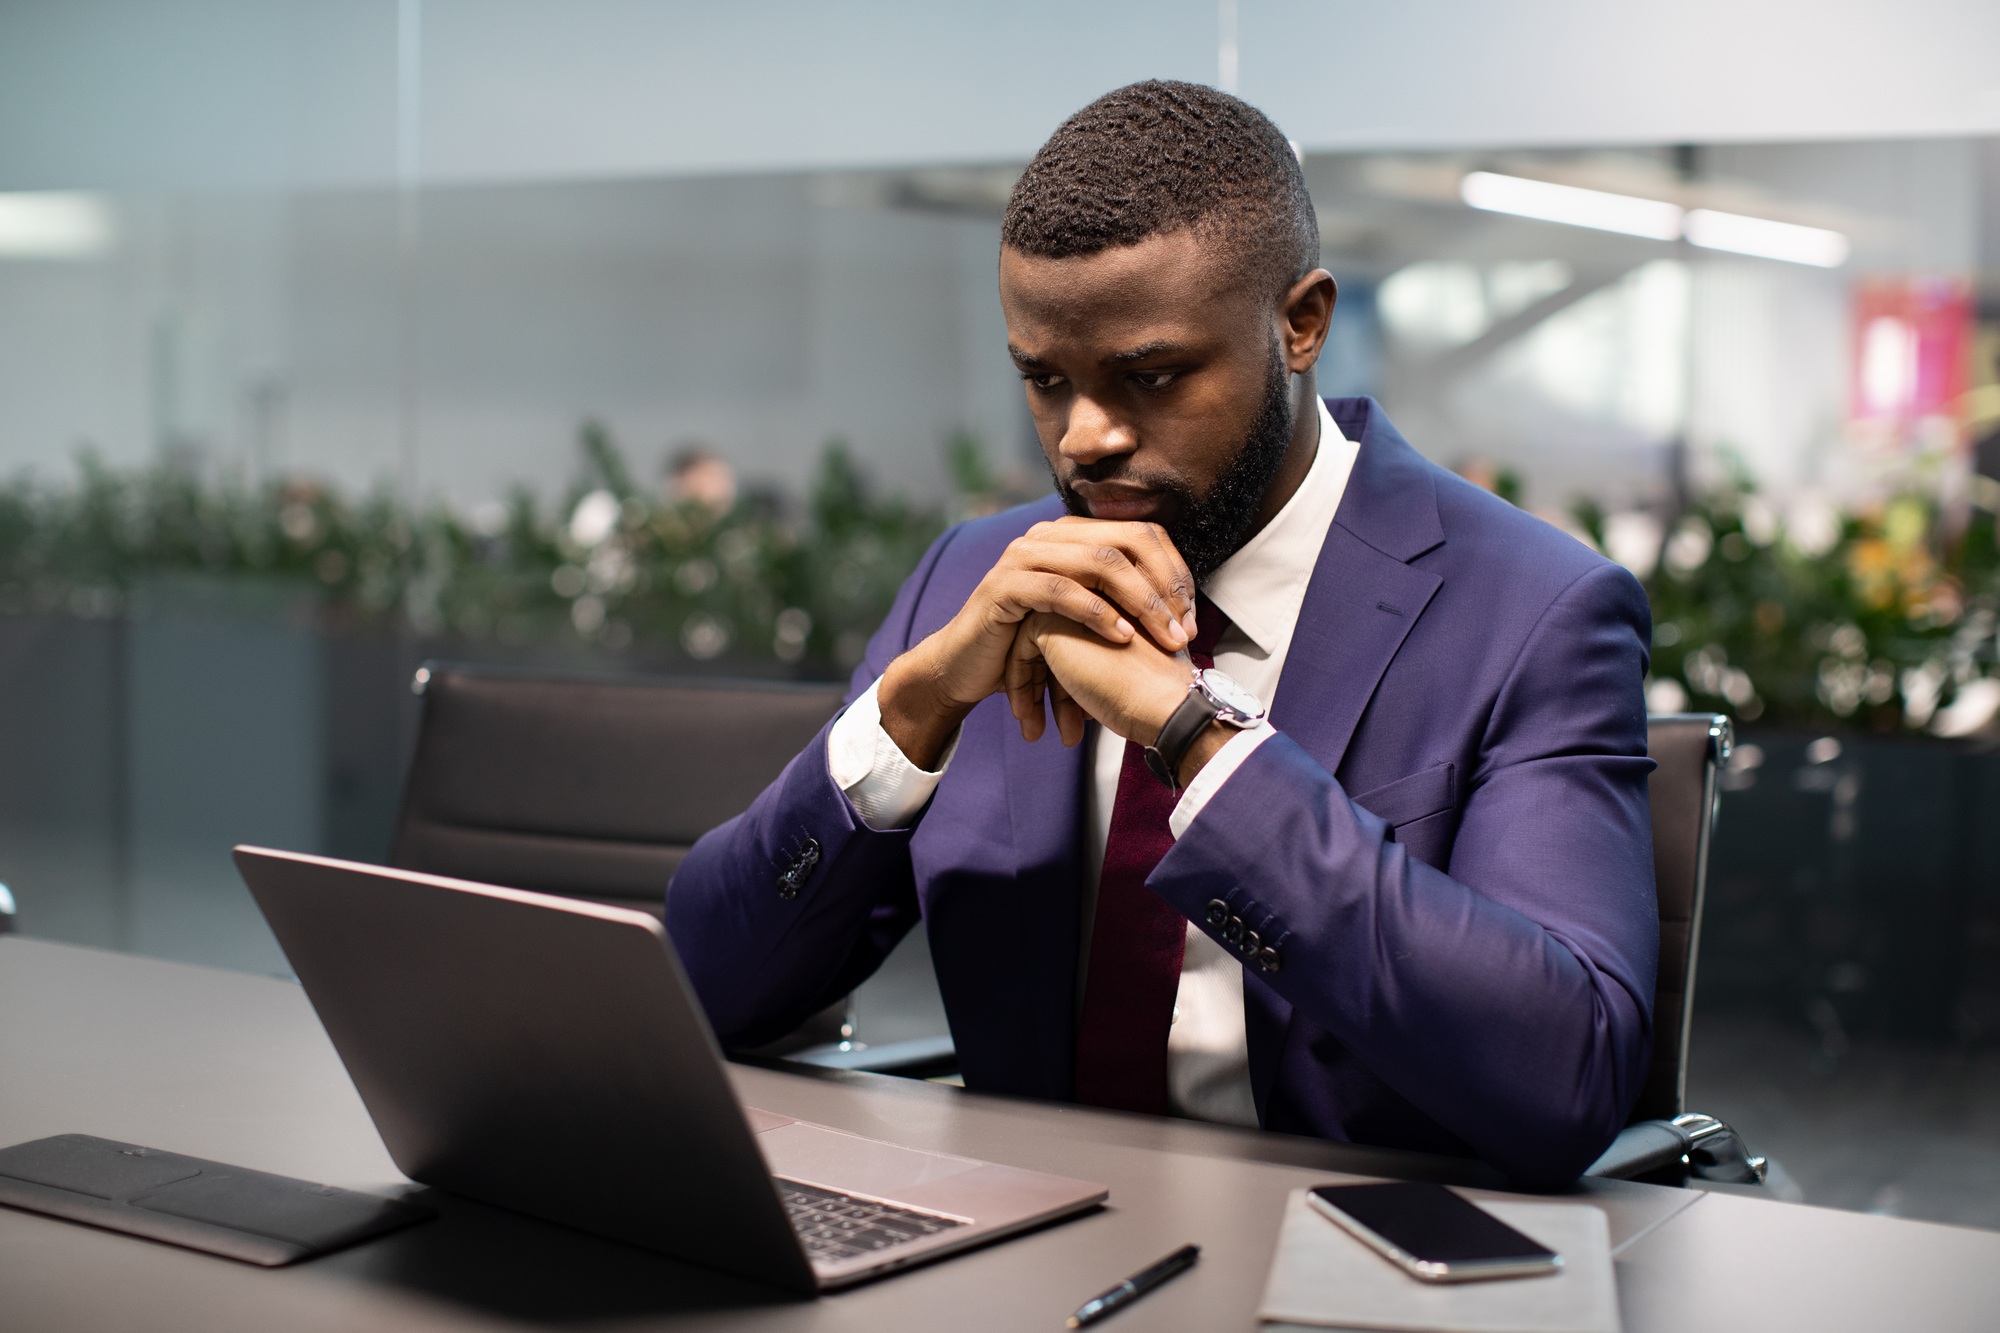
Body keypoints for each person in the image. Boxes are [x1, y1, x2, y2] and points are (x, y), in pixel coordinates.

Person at [666, 81, 1656, 1188]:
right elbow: (704, 987)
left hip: (1335, 1260)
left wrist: (1191, 735)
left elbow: (1563, 1075)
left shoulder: (1530, 610)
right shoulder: (973, 581)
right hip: (1027, 1241)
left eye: (1149, 376)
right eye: (1044, 381)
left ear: (1300, 323)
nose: (1083, 438)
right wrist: (912, 710)